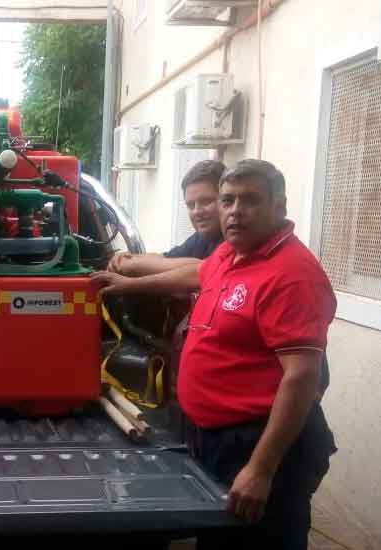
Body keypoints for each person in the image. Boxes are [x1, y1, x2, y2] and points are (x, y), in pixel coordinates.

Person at [96, 159, 337, 549]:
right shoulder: (231, 253)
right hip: (215, 441)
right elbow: (196, 273)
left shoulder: (292, 274)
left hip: (260, 445)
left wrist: (261, 468)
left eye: (250, 200)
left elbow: (302, 378)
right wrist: (128, 285)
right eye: (228, 200)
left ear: (280, 206)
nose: (235, 210)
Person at [108, 160, 225, 276]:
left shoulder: (234, 241)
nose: (197, 211)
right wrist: (128, 258)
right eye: (190, 205)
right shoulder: (201, 238)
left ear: (226, 200)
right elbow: (165, 258)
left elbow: (202, 268)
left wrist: (133, 268)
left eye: (206, 201)